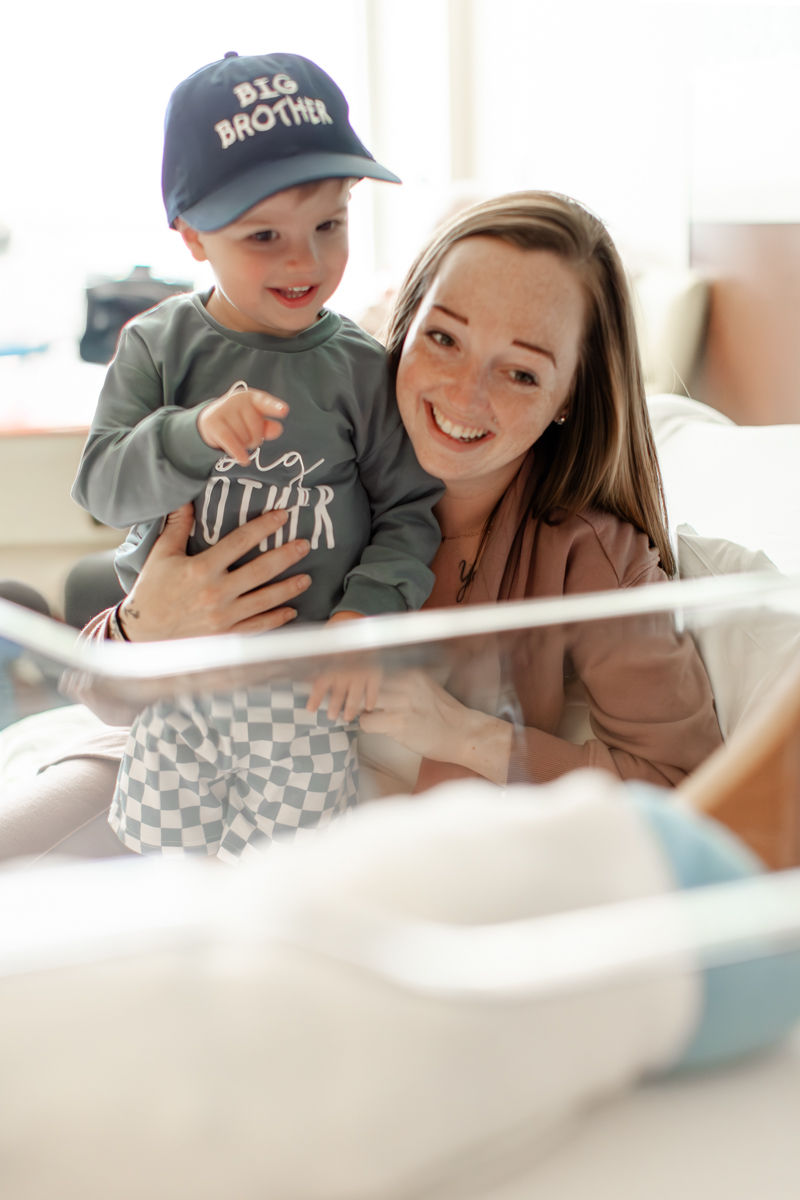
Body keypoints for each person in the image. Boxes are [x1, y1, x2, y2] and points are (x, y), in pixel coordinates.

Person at [1, 191, 723, 862]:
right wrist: (142, 627)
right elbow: (99, 693)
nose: (464, 394)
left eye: (523, 373)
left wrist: (464, 734)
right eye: (444, 339)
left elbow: (689, 785)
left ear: (571, 394)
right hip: (172, 759)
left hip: (339, 849)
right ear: (404, 330)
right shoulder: (300, 451)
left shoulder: (590, 559)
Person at [71, 52, 442, 861]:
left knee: (280, 877)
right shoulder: (156, 346)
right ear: (193, 237)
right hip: (175, 676)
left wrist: (361, 622)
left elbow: (411, 513)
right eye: (264, 235)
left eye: (329, 226)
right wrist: (193, 434)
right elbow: (102, 488)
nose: (303, 262)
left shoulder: (361, 368)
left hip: (300, 690)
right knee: (159, 861)